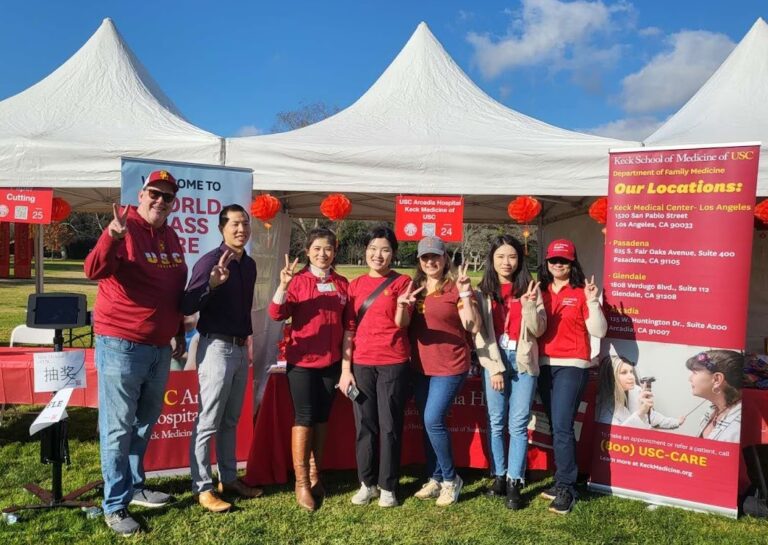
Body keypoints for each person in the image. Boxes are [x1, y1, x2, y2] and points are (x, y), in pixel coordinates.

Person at [84, 169, 187, 536]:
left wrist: (177, 330)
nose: (160, 201)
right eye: (154, 193)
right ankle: (114, 505)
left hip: (160, 347)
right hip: (121, 345)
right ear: (141, 194)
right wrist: (112, 235)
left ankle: (135, 485)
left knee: (144, 423)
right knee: (117, 428)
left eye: (167, 196)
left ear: (173, 203)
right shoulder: (125, 227)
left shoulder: (171, 235)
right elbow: (93, 269)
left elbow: (174, 288)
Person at [182, 204, 262, 513]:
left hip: (240, 349)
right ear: (222, 228)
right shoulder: (210, 261)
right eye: (235, 224)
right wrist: (212, 285)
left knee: (230, 420)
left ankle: (228, 479)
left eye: (245, 224)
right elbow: (188, 303)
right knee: (208, 420)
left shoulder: (249, 265)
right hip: (216, 348)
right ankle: (202, 487)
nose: (241, 229)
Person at [268, 228, 349, 511]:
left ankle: (315, 475)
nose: (322, 254)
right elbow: (276, 314)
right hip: (302, 362)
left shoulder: (341, 283)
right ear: (307, 252)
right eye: (317, 249)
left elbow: (348, 323)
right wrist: (283, 286)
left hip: (332, 362)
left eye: (327, 248)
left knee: (323, 417)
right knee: (304, 416)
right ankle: (301, 482)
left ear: (334, 251)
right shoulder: (298, 281)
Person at [338, 226, 416, 508]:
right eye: (373, 249)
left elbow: (402, 324)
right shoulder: (355, 285)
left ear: (393, 254)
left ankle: (388, 486)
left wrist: (402, 306)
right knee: (365, 425)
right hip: (361, 363)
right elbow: (349, 329)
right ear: (365, 251)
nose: (378, 255)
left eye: (384, 250)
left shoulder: (402, 282)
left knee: (390, 426)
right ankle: (366, 483)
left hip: (393, 363)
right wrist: (346, 370)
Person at [474, 235, 546, 510]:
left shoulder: (531, 288)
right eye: (501, 257)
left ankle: (515, 480)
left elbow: (539, 329)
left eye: (512, 256)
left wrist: (529, 306)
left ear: (520, 259)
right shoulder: (483, 291)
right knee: (496, 421)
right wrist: (493, 368)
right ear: (492, 260)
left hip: (524, 361)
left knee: (517, 423)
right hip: (495, 359)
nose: (506, 262)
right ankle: (499, 475)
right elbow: (478, 334)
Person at [409, 236, 481, 507]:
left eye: (435, 256)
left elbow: (472, 325)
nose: (430, 262)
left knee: (433, 419)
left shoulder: (455, 288)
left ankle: (451, 479)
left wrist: (465, 294)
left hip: (450, 365)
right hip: (420, 367)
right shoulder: (414, 288)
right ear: (419, 261)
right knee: (428, 422)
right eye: (425, 257)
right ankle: (435, 476)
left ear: (445, 258)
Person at [536, 238, 606, 515]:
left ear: (572, 263)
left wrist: (592, 300)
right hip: (543, 364)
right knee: (556, 426)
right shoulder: (539, 291)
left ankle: (567, 487)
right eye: (554, 260)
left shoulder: (581, 292)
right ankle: (563, 478)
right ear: (547, 263)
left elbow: (599, 331)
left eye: (563, 261)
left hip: (573, 365)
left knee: (563, 425)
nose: (558, 264)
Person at [596, 355, 683, 429]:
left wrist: (675, 422)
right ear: (611, 377)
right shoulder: (605, 408)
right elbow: (617, 436)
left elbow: (652, 417)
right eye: (624, 372)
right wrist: (641, 412)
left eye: (631, 372)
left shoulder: (636, 391)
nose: (631, 377)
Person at [687, 350, 743, 443]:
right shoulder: (713, 409)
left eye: (694, 372)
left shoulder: (736, 427)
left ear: (717, 379)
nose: (689, 379)